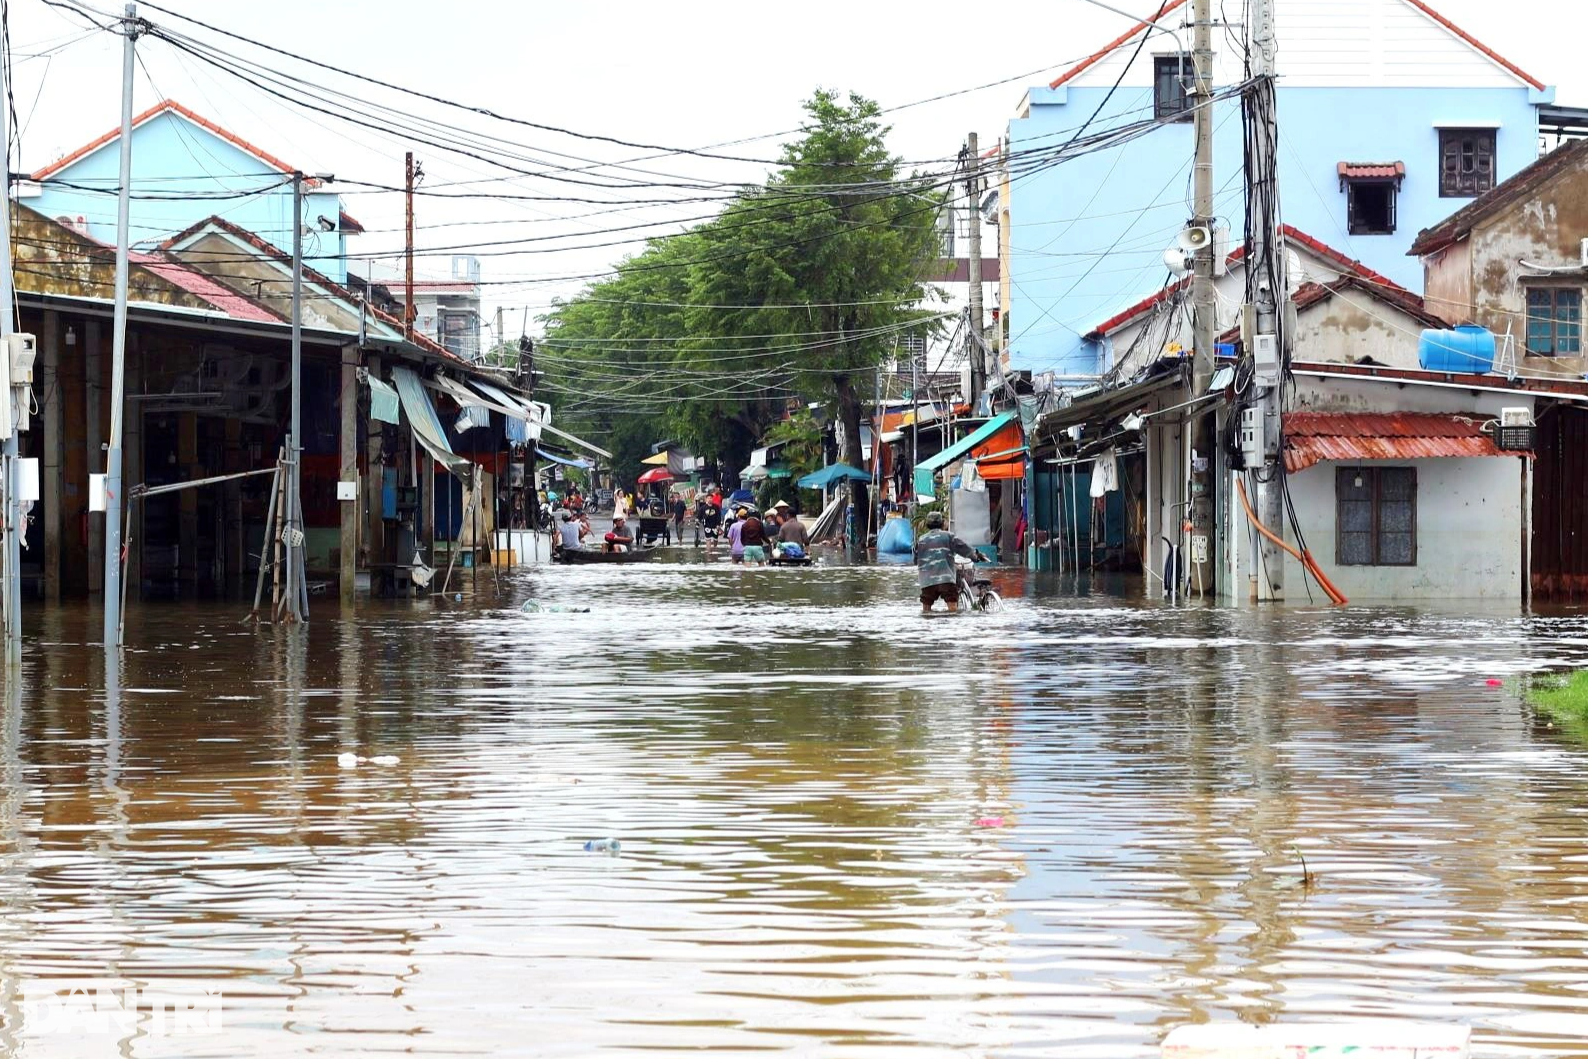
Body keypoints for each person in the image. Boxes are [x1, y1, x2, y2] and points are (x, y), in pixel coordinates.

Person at [914, 511, 977, 613]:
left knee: (926, 610)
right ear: (942, 523)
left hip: (926, 582)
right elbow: (964, 549)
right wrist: (976, 556)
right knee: (952, 609)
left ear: (927, 524)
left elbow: (915, 560)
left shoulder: (921, 540)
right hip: (946, 579)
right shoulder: (949, 536)